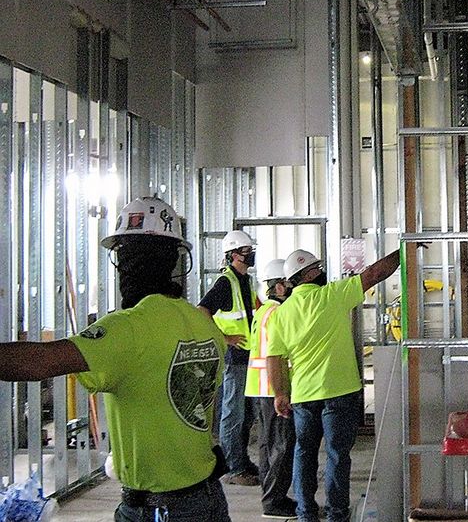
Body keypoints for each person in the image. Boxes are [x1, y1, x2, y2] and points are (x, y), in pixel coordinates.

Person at [0, 197, 230, 521]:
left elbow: (42, 362)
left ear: (125, 260)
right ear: (175, 260)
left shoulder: (126, 328)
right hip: (209, 499)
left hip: (157, 510)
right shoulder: (205, 326)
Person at [266, 248, 401, 522]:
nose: (321, 272)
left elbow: (274, 356)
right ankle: (337, 514)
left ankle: (306, 514)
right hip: (339, 392)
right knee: (337, 456)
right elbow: (374, 274)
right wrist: (403, 250)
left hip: (303, 395)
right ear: (307, 275)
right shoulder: (333, 296)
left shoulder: (281, 313)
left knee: (304, 453)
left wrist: (280, 393)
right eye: (316, 268)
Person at [199, 230, 259, 486]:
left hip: (247, 355)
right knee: (232, 414)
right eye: (246, 251)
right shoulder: (226, 283)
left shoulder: (246, 281)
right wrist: (225, 339)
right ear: (234, 255)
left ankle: (241, 460)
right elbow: (202, 311)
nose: (250, 254)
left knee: (246, 414)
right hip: (233, 357)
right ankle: (234, 468)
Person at [246, 258, 297, 520]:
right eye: (288, 283)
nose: (291, 288)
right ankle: (274, 502)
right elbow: (278, 354)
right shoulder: (278, 313)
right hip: (273, 388)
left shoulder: (263, 310)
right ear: (278, 287)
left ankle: (271, 496)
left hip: (259, 386)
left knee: (268, 446)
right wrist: (283, 391)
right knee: (281, 445)